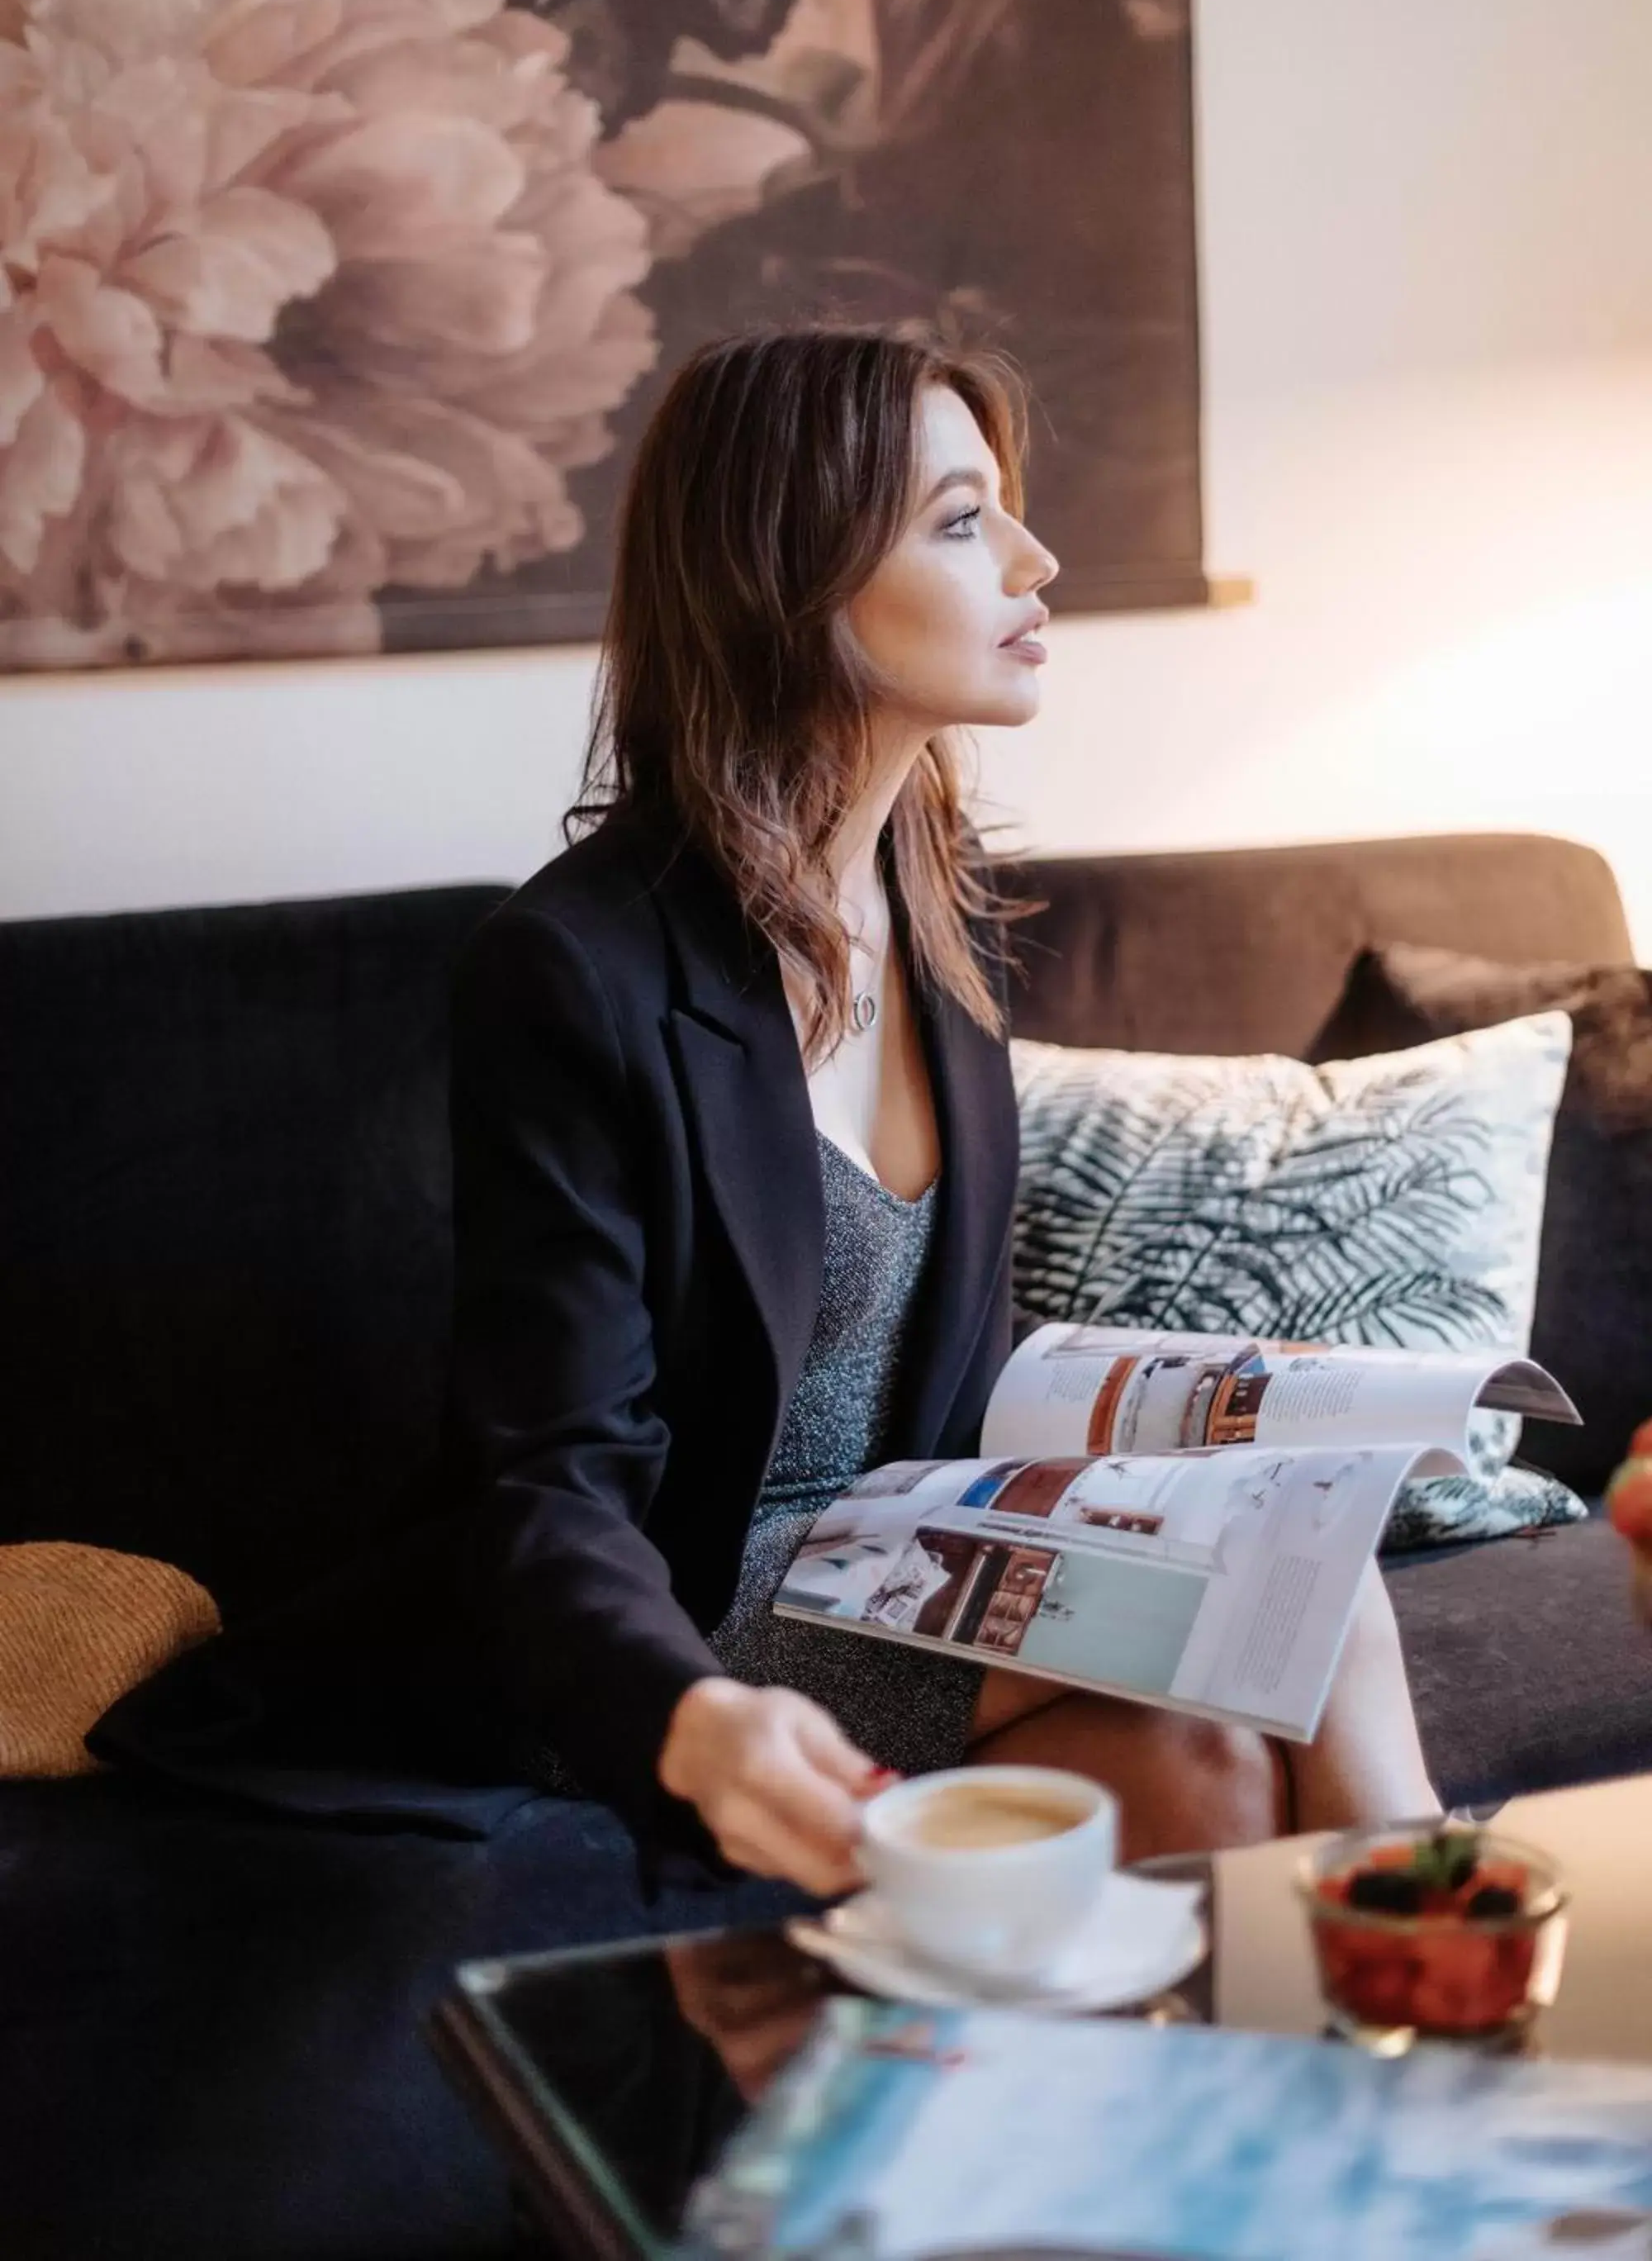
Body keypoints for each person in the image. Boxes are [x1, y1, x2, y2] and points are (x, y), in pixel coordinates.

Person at [448, 326, 1441, 1893]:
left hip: (900, 1553)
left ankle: (1342, 2054)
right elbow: (553, 1482)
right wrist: (692, 1717)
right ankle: (1449, 1969)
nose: (1038, 559)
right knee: (1297, 1595)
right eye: (964, 521)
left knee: (1208, 1728)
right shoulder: (571, 973)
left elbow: (957, 1365)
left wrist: (1223, 1407)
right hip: (685, 1618)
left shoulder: (929, 918)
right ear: (792, 571)